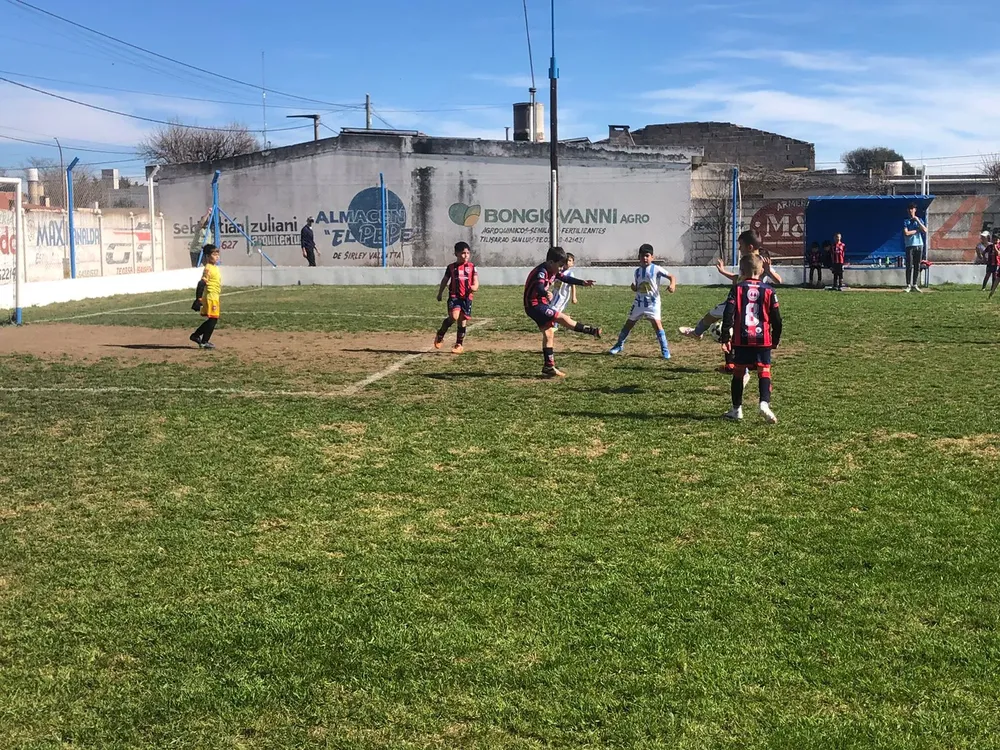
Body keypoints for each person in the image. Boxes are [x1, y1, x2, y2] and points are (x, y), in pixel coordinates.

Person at [720, 252, 782, 423]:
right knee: (764, 371)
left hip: (741, 339)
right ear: (762, 270)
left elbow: (728, 313)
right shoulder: (769, 290)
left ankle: (736, 409)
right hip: (763, 340)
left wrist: (725, 336)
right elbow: (777, 318)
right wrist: (775, 339)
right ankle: (764, 404)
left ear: (741, 271)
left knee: (739, 373)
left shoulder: (737, 289)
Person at [523, 246, 601, 378]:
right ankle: (590, 330)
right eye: (560, 265)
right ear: (551, 262)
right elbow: (539, 286)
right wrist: (545, 293)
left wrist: (582, 282)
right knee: (560, 317)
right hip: (534, 305)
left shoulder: (552, 270)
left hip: (540, 304)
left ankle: (549, 366)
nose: (561, 268)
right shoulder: (541, 272)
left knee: (549, 334)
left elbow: (566, 279)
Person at [608, 243, 676, 358]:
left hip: (652, 303)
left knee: (657, 324)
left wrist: (672, 285)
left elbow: (671, 276)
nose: (644, 258)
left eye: (647, 255)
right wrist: (634, 287)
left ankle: (665, 349)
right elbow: (638, 286)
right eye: (642, 256)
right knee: (629, 324)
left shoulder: (656, 269)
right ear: (638, 257)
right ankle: (619, 345)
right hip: (639, 302)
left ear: (652, 257)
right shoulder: (637, 271)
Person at [433, 241, 479, 354]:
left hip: (467, 298)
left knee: (462, 321)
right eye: (463, 253)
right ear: (456, 254)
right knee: (454, 317)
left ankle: (459, 344)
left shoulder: (472, 267)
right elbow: (445, 280)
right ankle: (440, 334)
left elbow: (476, 282)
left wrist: (474, 287)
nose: (466, 255)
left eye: (468, 253)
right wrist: (440, 293)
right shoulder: (451, 267)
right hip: (454, 296)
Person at [190, 244, 221, 349]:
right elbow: (201, 283)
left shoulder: (214, 267)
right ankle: (203, 340)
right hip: (210, 297)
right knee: (213, 320)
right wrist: (198, 298)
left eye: (218, 254)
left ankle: (197, 336)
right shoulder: (208, 268)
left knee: (212, 320)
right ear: (207, 256)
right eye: (214, 254)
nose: (217, 256)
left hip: (214, 297)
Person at [902, 203, 928, 292]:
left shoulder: (919, 220)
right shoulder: (906, 221)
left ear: (915, 210)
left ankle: (915, 284)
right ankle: (908, 284)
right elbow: (906, 233)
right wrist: (917, 230)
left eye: (912, 209)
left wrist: (917, 221)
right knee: (909, 265)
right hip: (909, 245)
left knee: (917, 265)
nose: (911, 210)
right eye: (909, 209)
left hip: (919, 245)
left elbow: (925, 230)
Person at [549, 252, 578, 329]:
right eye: (565, 260)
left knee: (555, 309)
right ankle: (562, 320)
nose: (566, 262)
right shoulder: (558, 271)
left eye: (569, 260)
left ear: (572, 263)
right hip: (555, 293)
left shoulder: (569, 274)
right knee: (551, 308)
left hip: (562, 296)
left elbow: (573, 285)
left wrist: (574, 297)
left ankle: (554, 326)